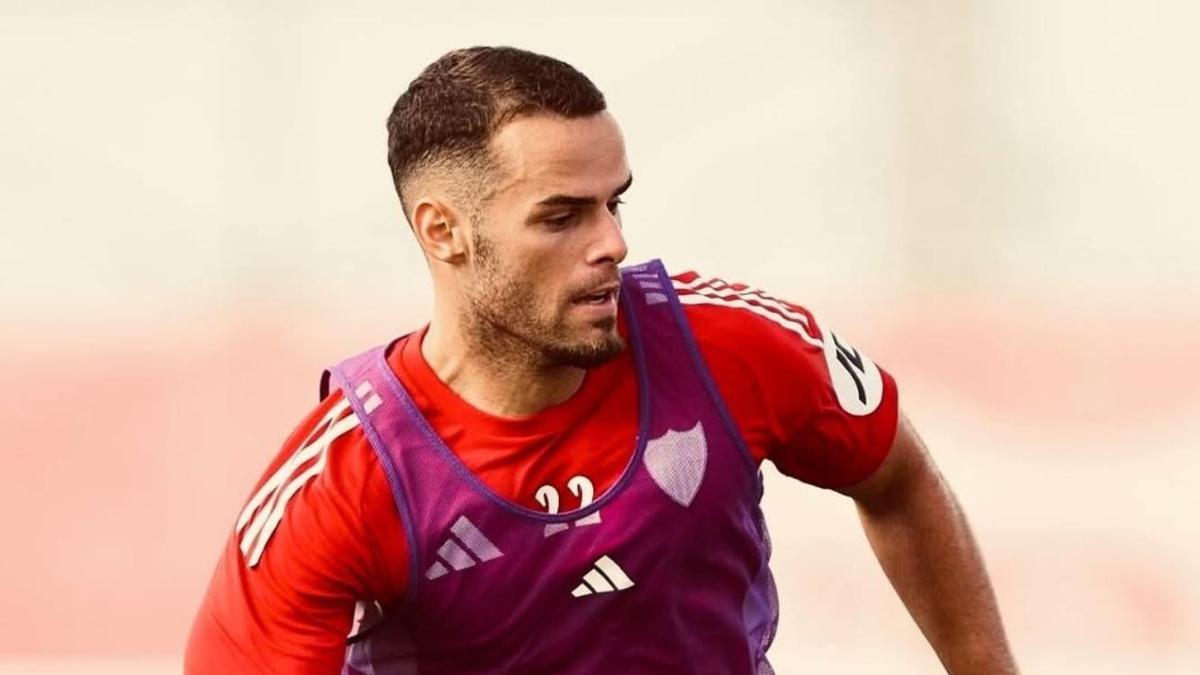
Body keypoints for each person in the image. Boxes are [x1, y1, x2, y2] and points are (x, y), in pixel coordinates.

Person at [186, 46, 1018, 674]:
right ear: (443, 231)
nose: (612, 243)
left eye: (614, 203)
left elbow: (898, 478)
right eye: (561, 216)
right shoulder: (340, 486)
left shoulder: (734, 344)